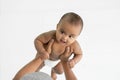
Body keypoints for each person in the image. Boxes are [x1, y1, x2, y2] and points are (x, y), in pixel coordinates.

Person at [34, 12, 83, 80]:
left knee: (60, 71)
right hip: (43, 57)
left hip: (58, 62)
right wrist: (42, 51)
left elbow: (79, 54)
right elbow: (38, 40)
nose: (65, 38)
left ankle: (53, 72)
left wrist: (74, 61)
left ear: (77, 37)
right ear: (57, 27)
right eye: (62, 32)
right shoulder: (51, 35)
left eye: (70, 36)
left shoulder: (74, 45)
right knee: (34, 69)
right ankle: (34, 75)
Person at [13, 40, 77, 80]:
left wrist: (41, 58)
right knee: (59, 71)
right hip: (52, 59)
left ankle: (53, 73)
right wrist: (64, 62)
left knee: (58, 70)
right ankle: (53, 73)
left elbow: (17, 79)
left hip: (46, 58)